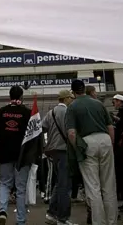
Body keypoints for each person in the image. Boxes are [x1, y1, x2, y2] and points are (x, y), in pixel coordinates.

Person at [66, 79, 117, 225]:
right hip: (105, 140)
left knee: (93, 187)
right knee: (109, 184)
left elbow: (71, 133)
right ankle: (112, 221)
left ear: (73, 92)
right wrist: (110, 144)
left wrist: (77, 148)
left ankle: (98, 222)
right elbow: (110, 127)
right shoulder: (98, 103)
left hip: (87, 143)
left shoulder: (72, 106)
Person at [0, 86, 32, 225]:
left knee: (4, 183)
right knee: (20, 188)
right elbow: (32, 135)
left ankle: (2, 210)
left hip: (5, 152)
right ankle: (20, 220)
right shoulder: (27, 112)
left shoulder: (2, 111)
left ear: (9, 96)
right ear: (21, 97)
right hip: (22, 155)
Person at [42, 90, 76, 225]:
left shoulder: (51, 112)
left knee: (59, 183)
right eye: (71, 98)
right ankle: (63, 217)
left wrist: (45, 145)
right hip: (64, 150)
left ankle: (52, 213)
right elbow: (71, 132)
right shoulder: (68, 111)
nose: (72, 100)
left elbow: (42, 128)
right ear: (66, 99)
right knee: (65, 185)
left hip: (53, 151)